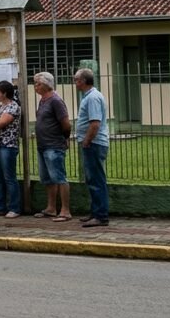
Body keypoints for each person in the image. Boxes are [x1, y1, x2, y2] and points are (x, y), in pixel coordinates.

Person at [32, 71, 73, 222]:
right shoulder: (43, 100)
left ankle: (65, 210)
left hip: (54, 144)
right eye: (35, 83)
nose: (36, 86)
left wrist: (65, 138)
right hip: (43, 145)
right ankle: (51, 208)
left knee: (59, 177)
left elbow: (66, 123)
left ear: (47, 85)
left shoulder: (56, 101)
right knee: (47, 178)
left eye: (39, 83)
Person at [75, 67, 111, 227]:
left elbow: (95, 123)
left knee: (96, 180)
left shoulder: (92, 98)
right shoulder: (89, 96)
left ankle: (101, 215)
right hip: (93, 143)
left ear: (83, 81)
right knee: (92, 179)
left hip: (94, 144)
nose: (75, 82)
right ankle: (95, 211)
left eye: (76, 79)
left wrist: (87, 140)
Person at [0, 80, 22, 218]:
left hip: (8, 145)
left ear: (4, 93)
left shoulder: (13, 107)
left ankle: (15, 207)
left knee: (9, 177)